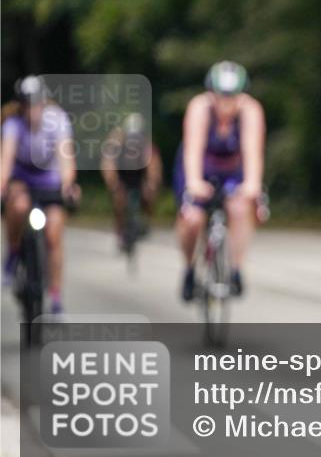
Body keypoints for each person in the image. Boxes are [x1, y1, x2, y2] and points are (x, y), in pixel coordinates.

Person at [173, 61, 265, 301]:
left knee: (240, 207)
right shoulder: (199, 108)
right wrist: (193, 183)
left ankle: (236, 269)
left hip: (232, 170)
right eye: (221, 96)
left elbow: (253, 153)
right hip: (200, 168)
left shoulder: (251, 111)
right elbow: (192, 150)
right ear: (211, 93)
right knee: (192, 218)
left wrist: (252, 184)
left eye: (232, 96)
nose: (226, 102)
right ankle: (189, 267)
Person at [0, 76, 80, 313]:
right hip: (22, 179)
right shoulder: (13, 125)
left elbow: (66, 158)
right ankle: (14, 252)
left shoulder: (58, 121)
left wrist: (68, 184)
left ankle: (55, 296)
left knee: (54, 234)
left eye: (36, 103)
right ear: (21, 105)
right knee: (19, 206)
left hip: (49, 181)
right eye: (27, 103)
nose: (32, 108)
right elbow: (6, 161)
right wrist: (3, 185)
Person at [101, 112, 163, 249]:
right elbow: (108, 164)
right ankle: (120, 230)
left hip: (139, 176)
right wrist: (114, 184)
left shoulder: (146, 144)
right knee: (119, 201)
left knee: (149, 196)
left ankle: (146, 220)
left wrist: (151, 184)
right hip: (122, 176)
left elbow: (154, 165)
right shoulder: (117, 143)